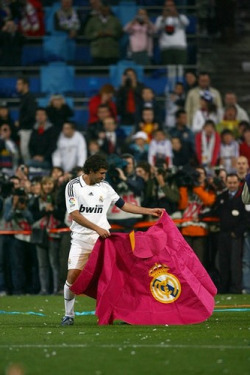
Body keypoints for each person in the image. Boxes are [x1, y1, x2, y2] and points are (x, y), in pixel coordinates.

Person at [62, 154, 163, 325]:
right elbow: (75, 215)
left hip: (103, 241)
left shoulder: (105, 187)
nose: (104, 176)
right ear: (91, 171)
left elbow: (123, 205)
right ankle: (69, 315)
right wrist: (97, 228)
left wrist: (149, 211)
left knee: (116, 277)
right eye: (101, 173)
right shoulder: (73, 186)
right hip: (81, 239)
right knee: (73, 276)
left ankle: (125, 314)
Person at [154, 0, 189, 65]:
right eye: (167, 6)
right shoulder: (160, 18)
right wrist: (164, 18)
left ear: (174, 7)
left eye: (171, 6)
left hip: (180, 47)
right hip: (166, 47)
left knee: (180, 70)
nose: (169, 8)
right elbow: (156, 29)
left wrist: (177, 15)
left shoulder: (181, 17)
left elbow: (186, 23)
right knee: (169, 71)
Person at [15, 77, 37, 164]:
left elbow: (31, 114)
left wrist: (20, 122)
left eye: (19, 84)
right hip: (24, 129)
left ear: (26, 85)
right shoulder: (23, 97)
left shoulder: (30, 98)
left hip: (28, 129)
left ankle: (29, 170)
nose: (17, 86)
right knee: (24, 152)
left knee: (26, 152)